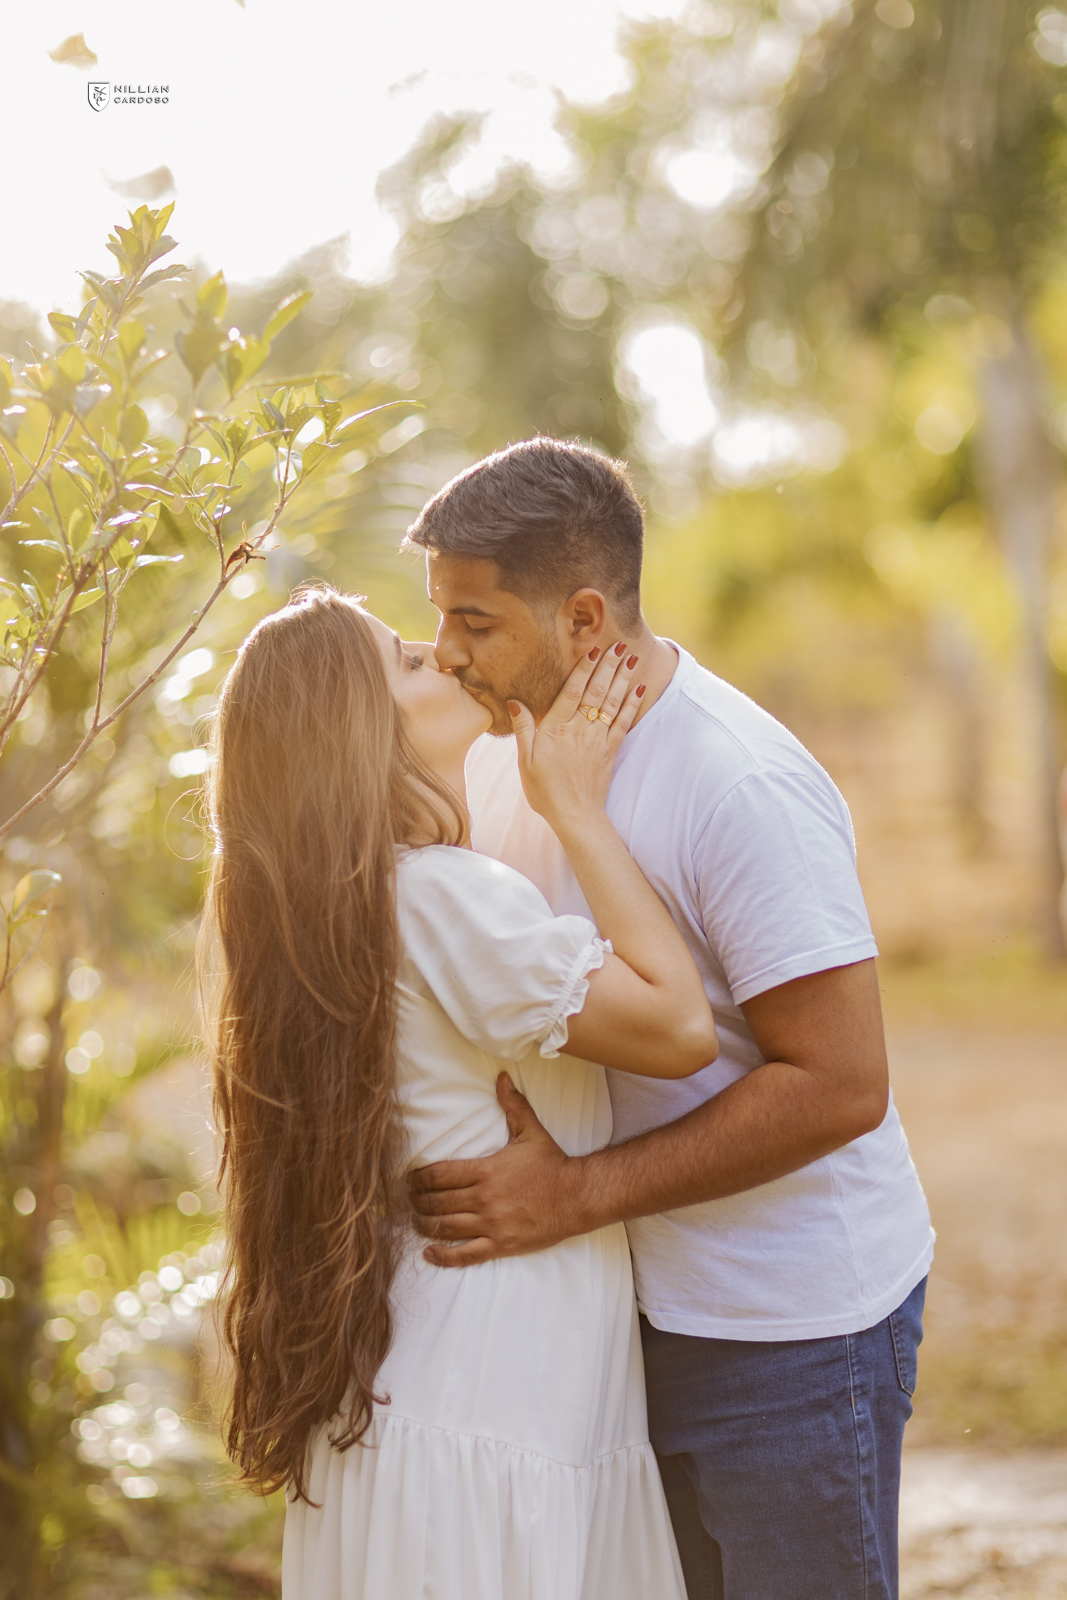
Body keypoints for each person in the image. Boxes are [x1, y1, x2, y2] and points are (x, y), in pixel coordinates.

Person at [404, 437, 936, 1600]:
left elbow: (840, 1083)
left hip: (788, 1326)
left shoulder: (735, 780)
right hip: (611, 1324)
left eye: (476, 623)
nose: (444, 655)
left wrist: (577, 1194)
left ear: (583, 618)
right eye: (437, 618)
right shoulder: (495, 759)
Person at [199, 584, 720, 1599]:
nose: (440, 656)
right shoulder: (442, 896)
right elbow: (678, 1026)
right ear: (354, 732)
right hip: (486, 1407)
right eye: (401, 658)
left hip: (445, 1404)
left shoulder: (359, 907)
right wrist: (574, 804)